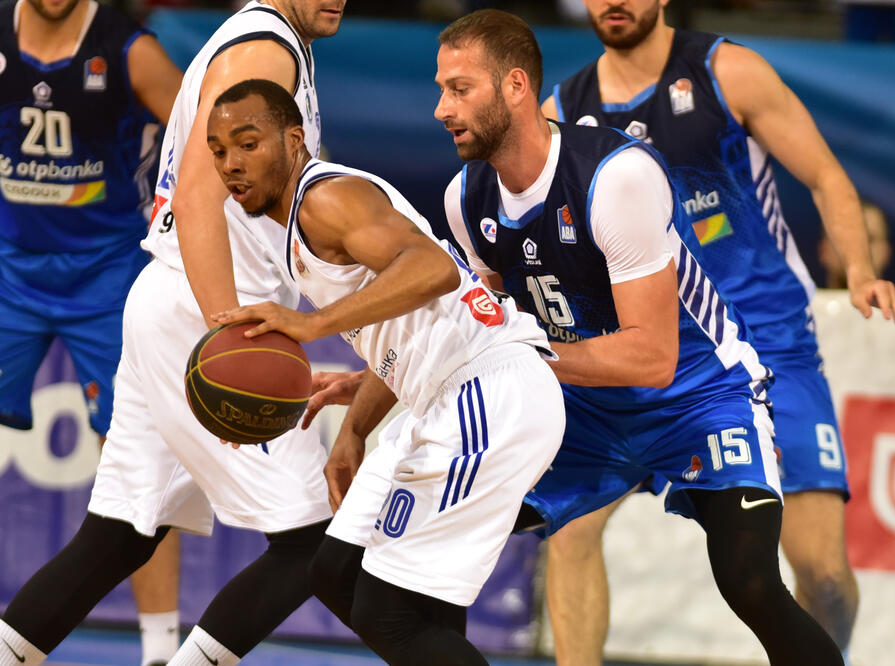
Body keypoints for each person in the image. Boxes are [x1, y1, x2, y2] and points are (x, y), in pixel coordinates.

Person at [436, 9, 844, 666]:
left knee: (758, 582)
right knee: (444, 536)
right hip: (591, 402)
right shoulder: (469, 197)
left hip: (702, 387)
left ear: (513, 88)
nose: (440, 109)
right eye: (441, 89)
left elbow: (651, 358)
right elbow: (475, 325)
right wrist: (381, 385)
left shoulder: (627, 164)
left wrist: (860, 270)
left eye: (459, 90)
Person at [540, 1, 895, 663]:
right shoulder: (561, 112)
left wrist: (858, 270)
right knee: (571, 530)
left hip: (767, 344)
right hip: (654, 350)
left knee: (823, 577)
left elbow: (827, 176)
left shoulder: (728, 72)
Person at [0, 3, 346, 665]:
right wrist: (226, 334)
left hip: (171, 300)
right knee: (311, 543)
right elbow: (195, 194)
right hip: (203, 311)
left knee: (119, 535)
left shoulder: (265, 41)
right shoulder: (263, 49)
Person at [207, 78, 564, 666]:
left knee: (387, 608)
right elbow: (409, 323)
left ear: (294, 140)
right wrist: (355, 429)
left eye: (248, 144)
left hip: (486, 389)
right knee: (337, 571)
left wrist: (311, 326)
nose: (231, 164)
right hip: (441, 395)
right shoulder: (299, 220)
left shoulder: (325, 200)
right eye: (219, 151)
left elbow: (433, 272)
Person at [0, 0, 184, 663]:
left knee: (135, 457)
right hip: (10, 268)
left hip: (109, 273)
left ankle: (160, 647)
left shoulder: (131, 51)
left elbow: (205, 140)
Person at [819, 200, 892, 288]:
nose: (858, 250)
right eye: (844, 238)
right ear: (823, 249)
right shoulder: (804, 301)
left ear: (887, 252)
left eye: (869, 239)